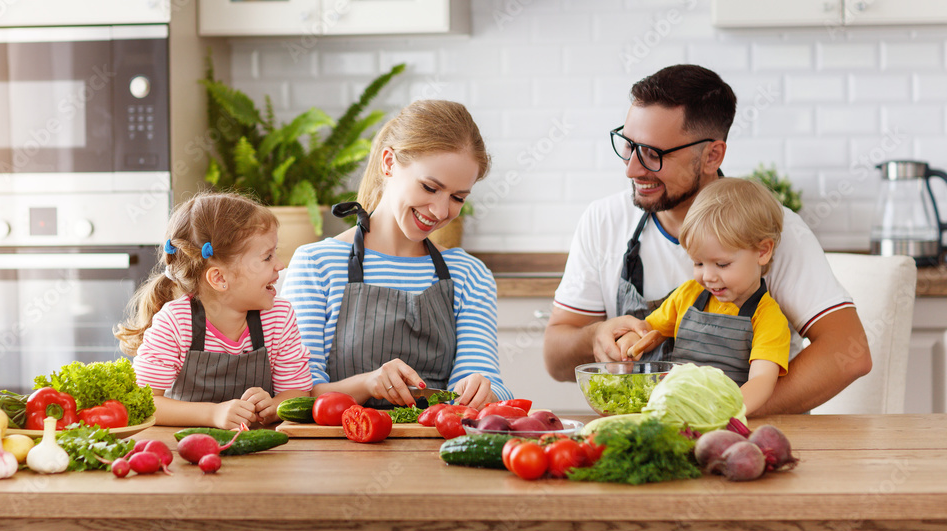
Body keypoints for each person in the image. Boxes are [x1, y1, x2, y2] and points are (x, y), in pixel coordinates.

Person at [543, 64, 872, 416]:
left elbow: (849, 351)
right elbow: (555, 359)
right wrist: (594, 337)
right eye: (628, 146)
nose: (632, 169)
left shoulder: (773, 228)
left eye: (653, 155)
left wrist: (716, 414)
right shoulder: (603, 220)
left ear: (712, 155)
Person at [281, 99, 513, 410]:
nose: (441, 211)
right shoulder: (318, 265)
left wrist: (485, 391)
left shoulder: (469, 274)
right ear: (389, 163)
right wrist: (367, 384)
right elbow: (296, 397)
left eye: (457, 197)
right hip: (335, 452)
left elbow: (490, 383)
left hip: (437, 451)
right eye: (430, 188)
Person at [116, 192, 312, 429]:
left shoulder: (279, 317)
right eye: (267, 257)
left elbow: (298, 392)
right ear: (219, 278)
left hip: (257, 450)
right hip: (181, 449)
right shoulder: (175, 323)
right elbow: (145, 402)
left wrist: (273, 406)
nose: (280, 265)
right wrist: (213, 414)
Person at [613, 177, 791, 414]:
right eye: (698, 262)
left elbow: (762, 382)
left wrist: (719, 413)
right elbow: (648, 330)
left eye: (722, 264)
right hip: (675, 411)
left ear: (762, 251)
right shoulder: (688, 295)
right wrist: (631, 342)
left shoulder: (768, 318)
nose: (708, 276)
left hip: (725, 420)